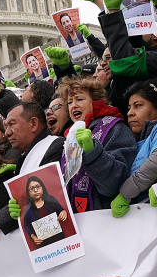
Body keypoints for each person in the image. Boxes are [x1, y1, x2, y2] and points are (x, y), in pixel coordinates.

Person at [56, 77, 137, 213]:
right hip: (81, 224)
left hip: (109, 220)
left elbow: (114, 184)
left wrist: (93, 152)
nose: (73, 105)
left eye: (79, 99)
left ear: (95, 101)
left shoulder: (115, 127)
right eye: (69, 102)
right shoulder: (69, 138)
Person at [0, 102, 63, 239]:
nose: (7, 132)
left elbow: (41, 198)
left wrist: (3, 217)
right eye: (5, 126)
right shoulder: (25, 158)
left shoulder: (55, 147)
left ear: (33, 124)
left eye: (12, 124)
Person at [111, 79, 157, 217]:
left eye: (138, 106)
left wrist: (124, 194)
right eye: (129, 108)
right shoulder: (135, 140)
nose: (130, 113)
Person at [21, 175, 71, 247]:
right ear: (28, 192)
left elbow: (61, 210)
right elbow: (26, 225)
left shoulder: (51, 199)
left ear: (42, 188)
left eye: (37, 186)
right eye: (32, 188)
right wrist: (33, 236)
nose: (35, 190)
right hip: (43, 245)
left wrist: (63, 212)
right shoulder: (27, 209)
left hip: (59, 239)